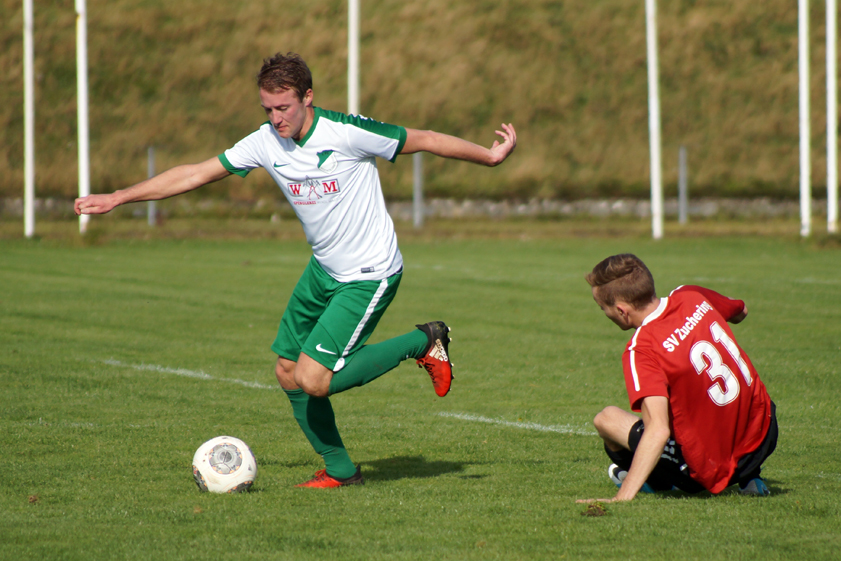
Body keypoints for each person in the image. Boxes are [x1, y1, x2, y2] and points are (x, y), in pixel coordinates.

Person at [75, 52, 517, 488]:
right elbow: (194, 174)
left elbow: (426, 138)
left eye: (283, 107)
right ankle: (341, 470)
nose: (276, 118)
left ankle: (424, 340)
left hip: (369, 272)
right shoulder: (265, 141)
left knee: (313, 379)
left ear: (308, 97)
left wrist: (490, 157)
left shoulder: (347, 133)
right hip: (323, 270)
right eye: (267, 109)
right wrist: (119, 197)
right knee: (288, 371)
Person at [577, 254, 777, 503]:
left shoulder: (642, 349)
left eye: (602, 308)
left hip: (710, 468)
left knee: (606, 419)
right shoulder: (690, 295)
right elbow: (741, 311)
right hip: (765, 430)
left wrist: (622, 497)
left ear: (621, 310)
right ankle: (750, 478)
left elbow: (658, 430)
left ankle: (657, 483)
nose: (604, 313)